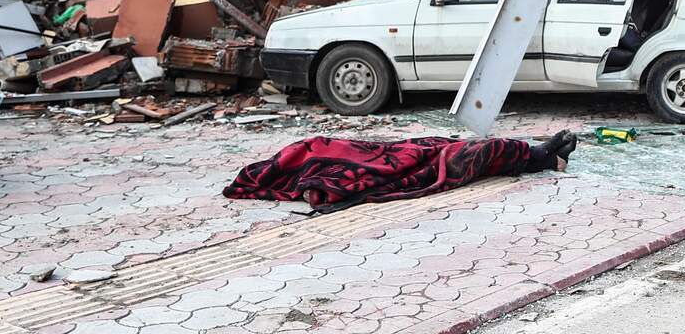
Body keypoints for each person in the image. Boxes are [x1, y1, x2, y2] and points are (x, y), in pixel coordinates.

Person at [226, 130, 579, 212]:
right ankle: (544, 157)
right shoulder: (313, 171)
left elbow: (349, 149)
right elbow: (324, 189)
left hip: (396, 152)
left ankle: (538, 153)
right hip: (395, 165)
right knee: (467, 156)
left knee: (446, 144)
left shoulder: (316, 147)